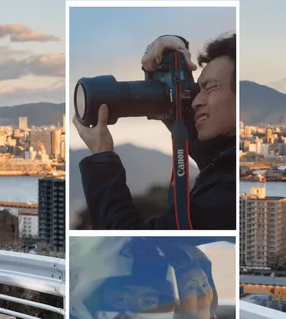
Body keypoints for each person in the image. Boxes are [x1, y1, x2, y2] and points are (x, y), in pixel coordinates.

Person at [74, 33, 236, 230]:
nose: (195, 101)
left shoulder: (225, 195)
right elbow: (192, 133)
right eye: (196, 90)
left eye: (210, 88)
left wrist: (102, 157)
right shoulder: (223, 162)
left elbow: (134, 247)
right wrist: (172, 45)